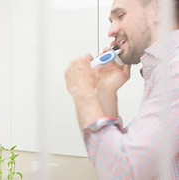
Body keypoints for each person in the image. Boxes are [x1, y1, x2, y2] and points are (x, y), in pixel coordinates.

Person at [65, 0, 179, 179]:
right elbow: (133, 154)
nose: (111, 31)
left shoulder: (175, 68)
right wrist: (106, 90)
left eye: (121, 16)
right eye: (111, 21)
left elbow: (121, 170)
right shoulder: (164, 71)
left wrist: (82, 92)